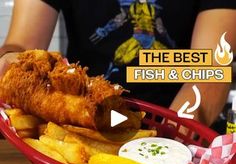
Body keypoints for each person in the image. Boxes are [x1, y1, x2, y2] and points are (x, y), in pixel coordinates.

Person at [0, 0, 235, 128]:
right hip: (83, 125)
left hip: (176, 129)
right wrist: (8, 59)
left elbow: (209, 69)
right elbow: (21, 45)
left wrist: (168, 143)